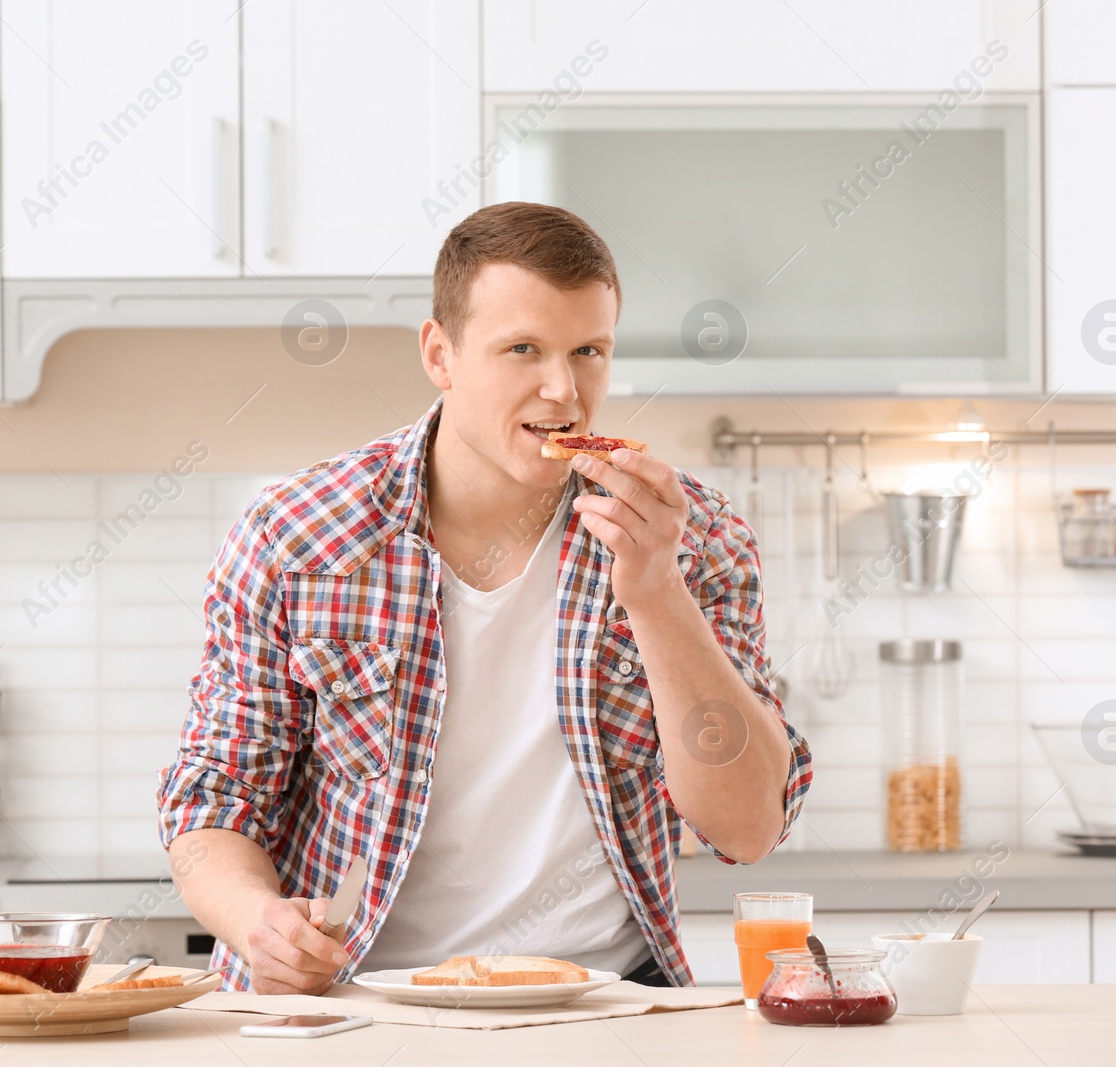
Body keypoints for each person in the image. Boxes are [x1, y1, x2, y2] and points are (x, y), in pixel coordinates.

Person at [157, 201, 811, 993]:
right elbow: (213, 798)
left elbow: (747, 826)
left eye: (589, 351)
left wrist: (657, 593)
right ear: (441, 353)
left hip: (603, 1007)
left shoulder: (691, 537)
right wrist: (258, 920)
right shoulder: (297, 535)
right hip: (358, 1004)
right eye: (523, 349)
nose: (564, 390)